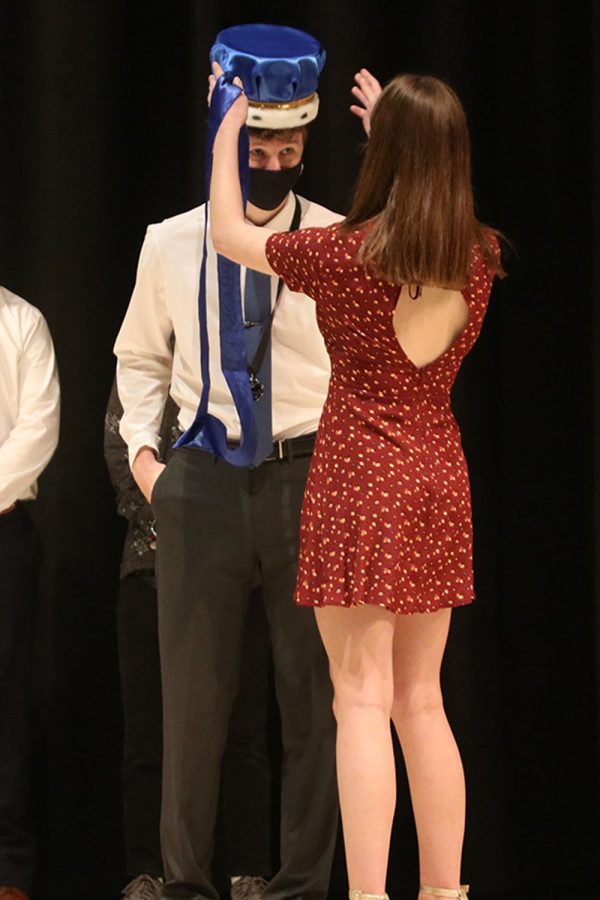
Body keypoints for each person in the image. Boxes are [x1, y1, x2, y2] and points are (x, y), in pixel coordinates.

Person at [207, 60, 505, 900]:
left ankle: (370, 896)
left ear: (394, 157)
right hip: (438, 476)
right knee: (422, 701)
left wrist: (232, 118)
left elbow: (230, 232)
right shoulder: (478, 256)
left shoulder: (343, 254)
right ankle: (445, 894)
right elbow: (425, 210)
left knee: (361, 700)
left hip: (360, 480)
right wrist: (403, 136)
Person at [113, 24, 340, 900]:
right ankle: (184, 883)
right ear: (226, 136)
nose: (276, 160)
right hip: (201, 477)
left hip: (304, 472)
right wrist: (149, 464)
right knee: (193, 709)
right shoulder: (169, 242)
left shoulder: (331, 239)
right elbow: (138, 359)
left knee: (312, 700)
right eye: (258, 141)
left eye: (291, 144)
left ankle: (299, 887)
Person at [104, 381, 273, 900]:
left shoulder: (235, 352)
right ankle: (147, 872)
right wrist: (181, 511)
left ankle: (248, 871)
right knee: (149, 730)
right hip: (150, 566)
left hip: (235, 569)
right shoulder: (147, 358)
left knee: (244, 728)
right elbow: (119, 445)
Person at [0, 285, 60, 900]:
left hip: (2, 526)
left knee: (6, 693)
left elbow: (38, 427)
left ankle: (7, 867)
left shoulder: (22, 320)